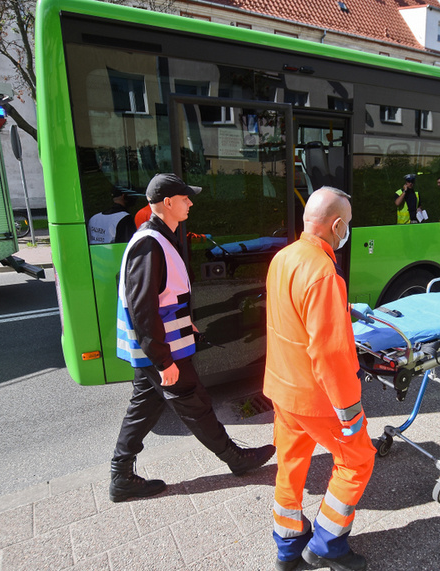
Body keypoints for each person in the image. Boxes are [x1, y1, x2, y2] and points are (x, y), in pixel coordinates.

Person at [111, 173, 275, 502]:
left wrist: (187, 323)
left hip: (160, 348)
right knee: (196, 405)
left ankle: (121, 476)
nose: (190, 203)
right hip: (162, 352)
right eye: (185, 198)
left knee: (143, 408)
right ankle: (236, 460)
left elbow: (163, 298)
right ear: (167, 203)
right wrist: (163, 360)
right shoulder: (149, 244)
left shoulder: (157, 238)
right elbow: (143, 311)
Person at [265, 187, 376, 571]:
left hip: (282, 387)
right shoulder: (323, 272)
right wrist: (349, 410)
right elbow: (330, 353)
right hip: (316, 397)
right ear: (337, 225)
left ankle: (288, 546)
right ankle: (328, 543)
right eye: (347, 226)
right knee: (358, 459)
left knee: (291, 464)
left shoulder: (283, 258)